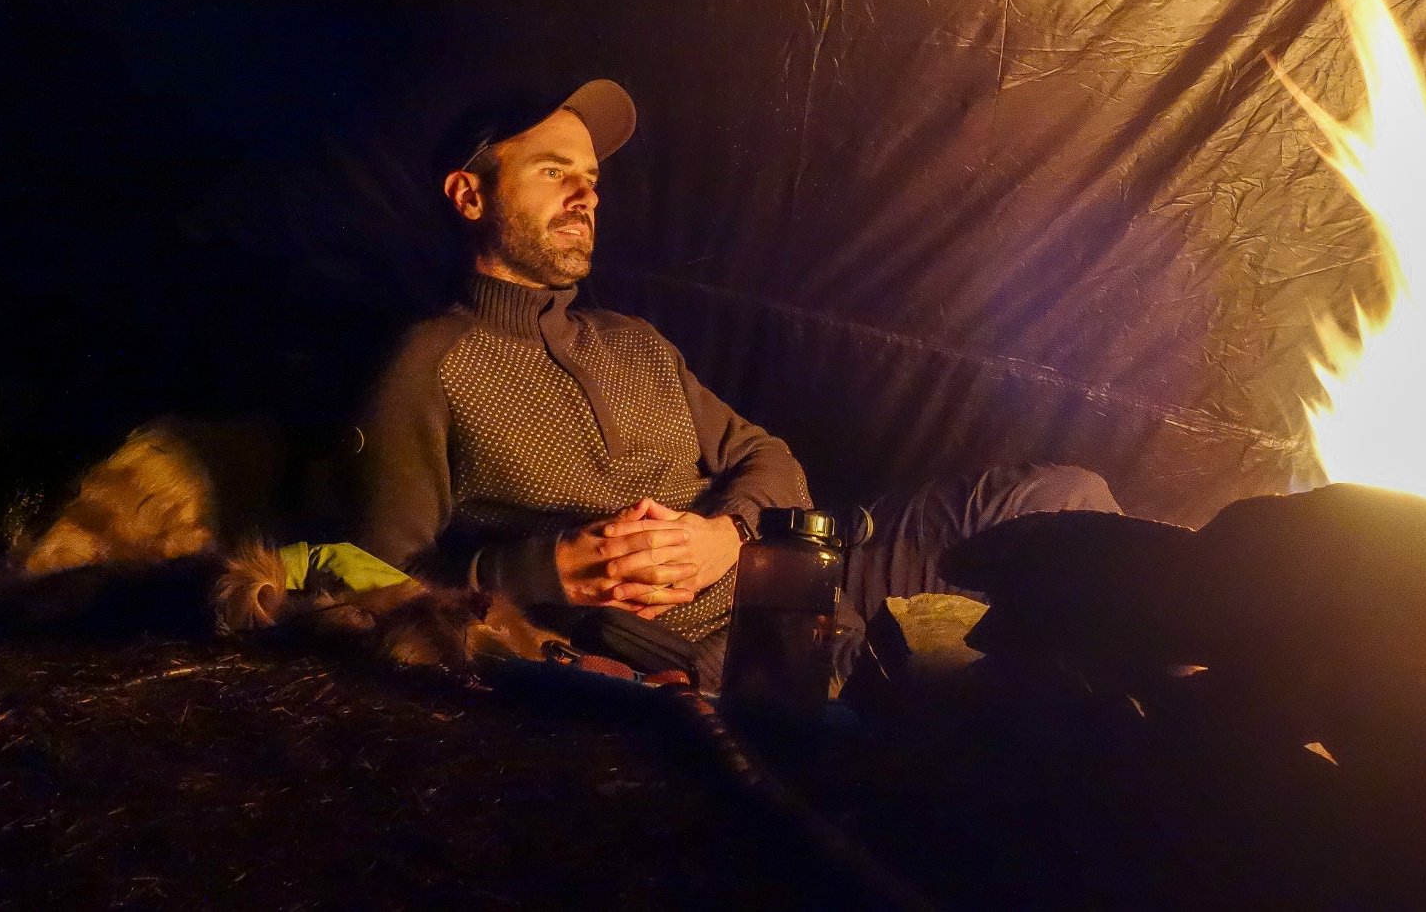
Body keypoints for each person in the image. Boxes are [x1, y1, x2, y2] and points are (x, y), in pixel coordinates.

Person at [349, 79, 1118, 688]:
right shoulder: (427, 367)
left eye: (591, 178)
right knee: (980, 682)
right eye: (554, 172)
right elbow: (376, 581)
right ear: (470, 195)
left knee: (1061, 499)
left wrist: (727, 535)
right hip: (717, 643)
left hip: (799, 557)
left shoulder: (631, 340)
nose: (586, 196)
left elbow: (770, 457)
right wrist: (544, 572)